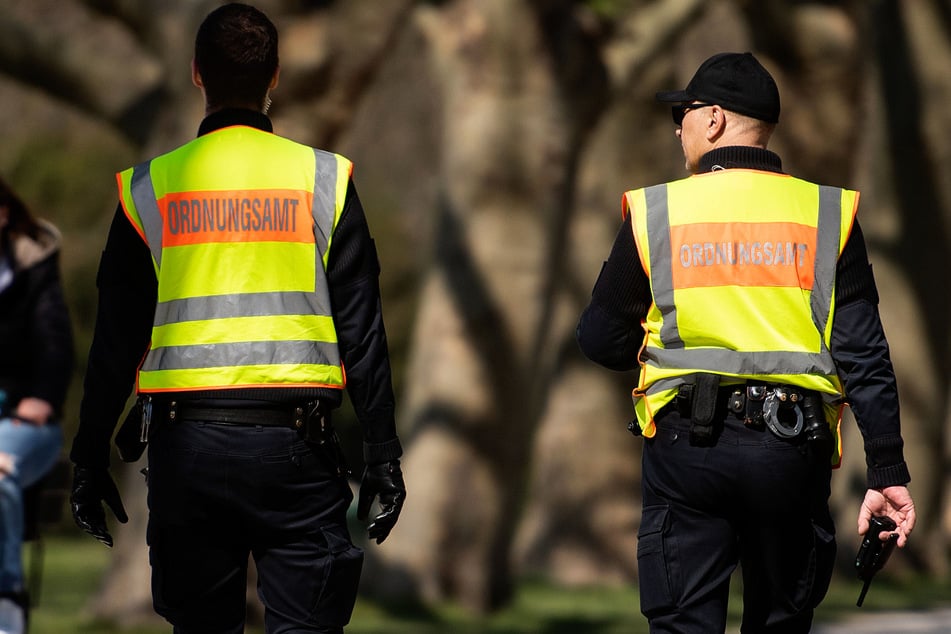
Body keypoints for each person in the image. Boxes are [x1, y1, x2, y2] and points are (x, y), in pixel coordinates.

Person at [68, 4, 406, 633]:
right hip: (298, 449)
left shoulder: (149, 188)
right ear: (274, 75)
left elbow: (116, 340)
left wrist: (88, 454)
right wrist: (383, 453)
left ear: (197, 73)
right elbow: (362, 332)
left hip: (186, 449)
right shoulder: (324, 180)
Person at [576, 51, 916, 633]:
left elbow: (601, 339)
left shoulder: (658, 211)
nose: (676, 128)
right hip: (792, 451)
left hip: (686, 450)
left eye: (680, 114)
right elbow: (865, 354)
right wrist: (887, 469)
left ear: (712, 120)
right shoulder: (826, 214)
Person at [0, 177, 73, 634]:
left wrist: (42, 398)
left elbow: (55, 343)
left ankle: (6, 604)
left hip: (20, 421)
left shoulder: (33, 264)